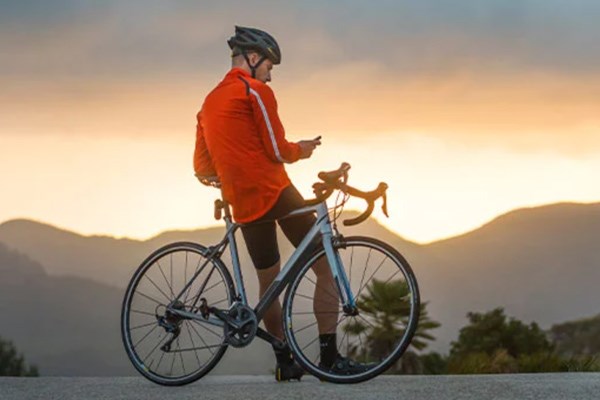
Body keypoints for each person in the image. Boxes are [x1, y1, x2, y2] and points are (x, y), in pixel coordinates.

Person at [193, 26, 343, 381]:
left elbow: (201, 166)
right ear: (254, 59)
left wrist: (231, 174)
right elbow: (278, 150)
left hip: (241, 202)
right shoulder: (254, 90)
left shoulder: (209, 102)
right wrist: (302, 150)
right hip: (273, 191)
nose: (271, 76)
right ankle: (330, 360)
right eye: (270, 67)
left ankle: (284, 361)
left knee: (269, 282)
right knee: (326, 266)